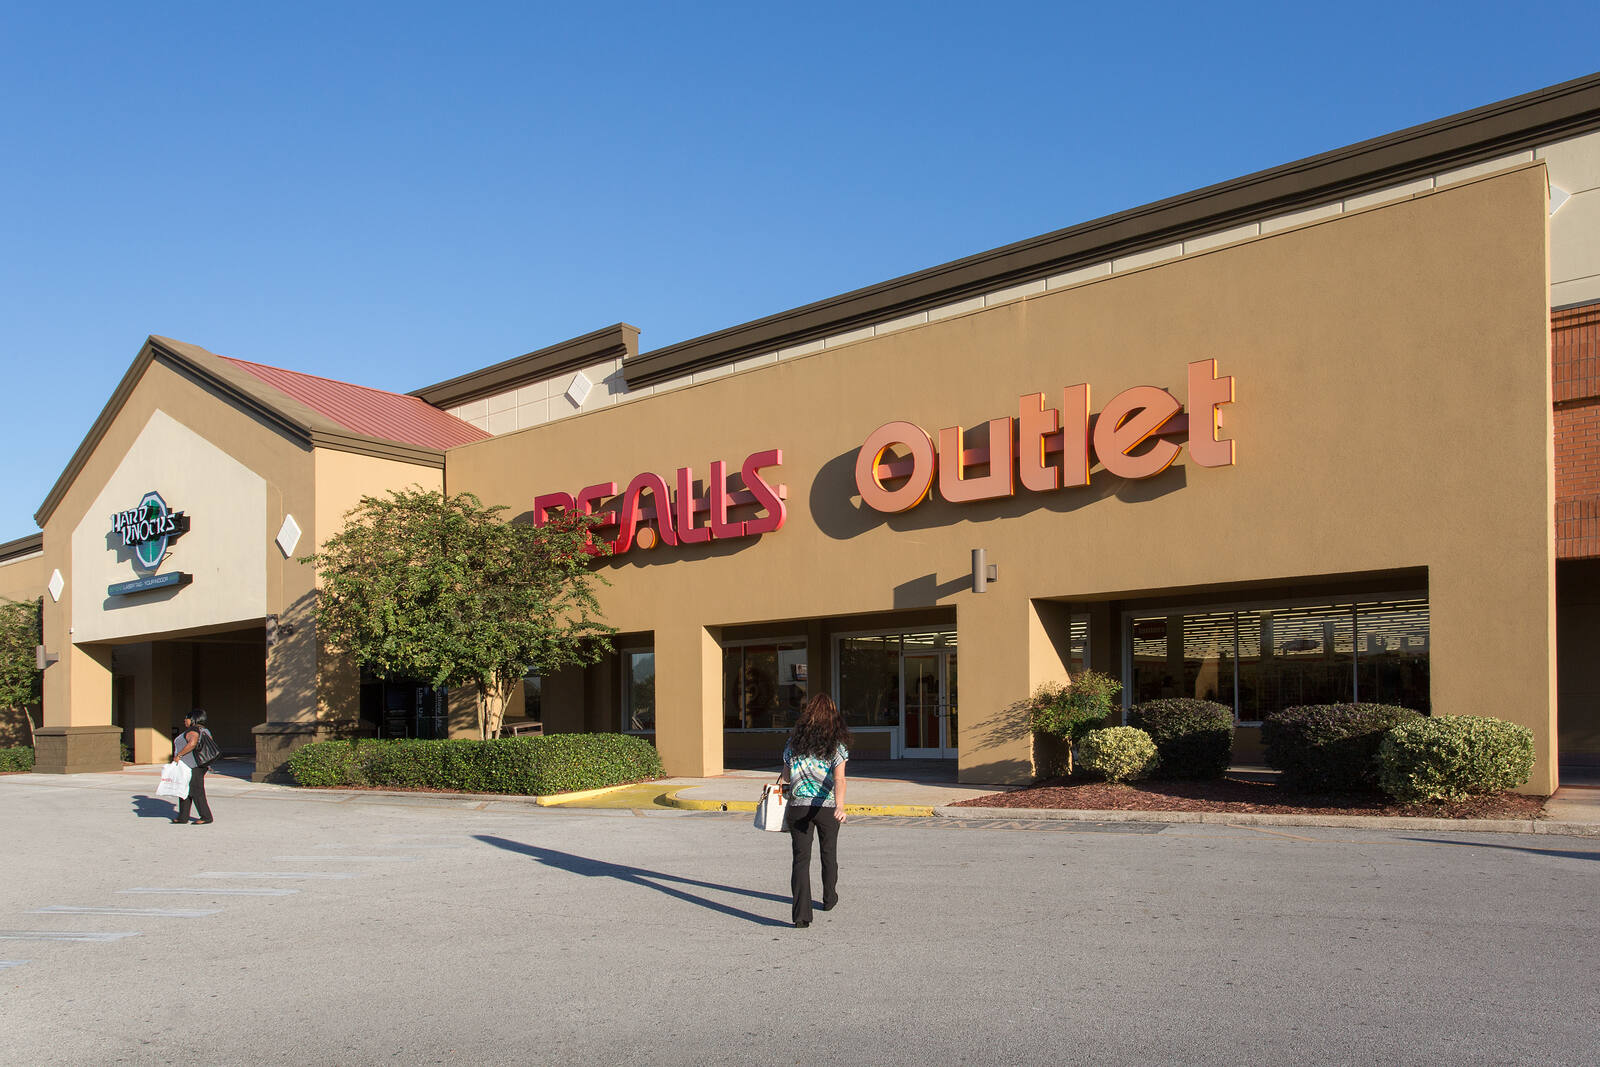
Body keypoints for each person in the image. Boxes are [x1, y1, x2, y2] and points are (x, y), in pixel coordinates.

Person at [776, 693, 850, 928]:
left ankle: (801, 916)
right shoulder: (837, 746)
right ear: (832, 716)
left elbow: (785, 778)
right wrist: (840, 806)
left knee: (800, 859)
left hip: (798, 807)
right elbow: (840, 780)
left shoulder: (792, 744)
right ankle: (829, 898)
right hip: (826, 808)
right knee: (828, 854)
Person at [170, 709, 216, 825]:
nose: (185, 720)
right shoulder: (204, 730)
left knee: (196, 790)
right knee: (184, 789)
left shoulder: (194, 730)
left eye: (187, 718)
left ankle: (206, 817)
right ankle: (183, 817)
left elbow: (192, 743)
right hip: (196, 765)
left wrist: (179, 755)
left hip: (194, 765)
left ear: (193, 719)